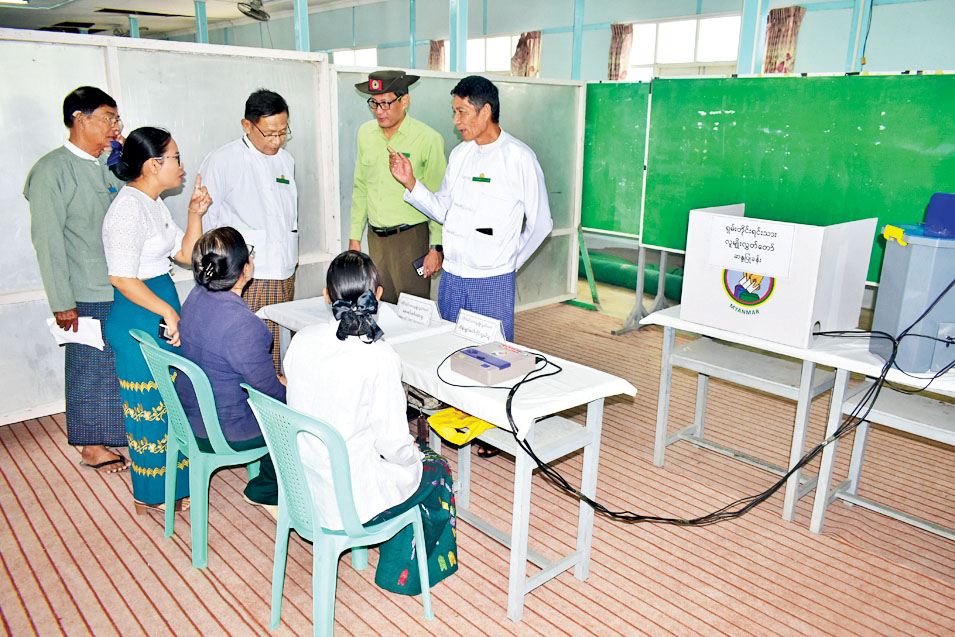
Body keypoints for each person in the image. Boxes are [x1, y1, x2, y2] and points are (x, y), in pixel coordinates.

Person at [284, 251, 458, 596]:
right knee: (435, 469)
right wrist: (414, 458)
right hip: (350, 499)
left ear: (326, 296)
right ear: (377, 295)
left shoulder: (301, 341)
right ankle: (398, 575)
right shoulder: (378, 356)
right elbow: (393, 444)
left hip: (301, 484)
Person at [387, 75, 553, 341]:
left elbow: (541, 224)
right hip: (452, 278)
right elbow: (443, 211)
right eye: (454, 112)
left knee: (491, 355)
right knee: (448, 349)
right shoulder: (460, 155)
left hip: (491, 281)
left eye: (462, 112)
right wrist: (411, 182)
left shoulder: (519, 157)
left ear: (485, 111)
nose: (456, 121)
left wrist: (510, 263)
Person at [102, 126, 212, 513]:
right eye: (176, 158)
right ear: (153, 165)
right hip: (139, 317)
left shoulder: (153, 203)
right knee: (148, 407)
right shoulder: (128, 209)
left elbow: (185, 254)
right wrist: (166, 310)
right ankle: (150, 493)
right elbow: (121, 277)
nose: (182, 166)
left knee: (170, 402)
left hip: (158, 308)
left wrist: (195, 213)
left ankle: (174, 484)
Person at [23, 86, 129, 474]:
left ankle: (111, 435)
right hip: (83, 290)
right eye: (108, 118)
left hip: (118, 284)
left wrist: (124, 165)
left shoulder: (107, 166)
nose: (116, 126)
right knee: (88, 368)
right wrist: (61, 301)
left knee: (113, 367)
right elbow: (48, 242)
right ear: (79, 120)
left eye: (116, 118)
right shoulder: (52, 170)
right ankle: (90, 446)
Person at [176, 227, 284, 515]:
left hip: (187, 415)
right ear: (245, 269)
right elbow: (270, 394)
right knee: (298, 412)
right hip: (224, 428)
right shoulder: (243, 325)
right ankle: (267, 490)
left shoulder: (195, 297)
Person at [198, 89, 297, 372]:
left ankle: (275, 395)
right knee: (250, 350)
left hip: (284, 271)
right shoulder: (222, 160)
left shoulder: (285, 160)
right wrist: (223, 279)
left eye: (283, 132)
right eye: (269, 133)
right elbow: (208, 223)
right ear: (247, 125)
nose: (277, 141)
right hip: (247, 275)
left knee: (279, 347)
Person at [350, 70, 447, 303]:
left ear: (404, 101)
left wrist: (436, 247)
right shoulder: (365, 134)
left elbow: (439, 197)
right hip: (376, 239)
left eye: (385, 103)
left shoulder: (427, 138)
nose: (379, 111)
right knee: (381, 305)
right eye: (373, 103)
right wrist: (355, 237)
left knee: (413, 308)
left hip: (411, 239)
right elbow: (360, 187)